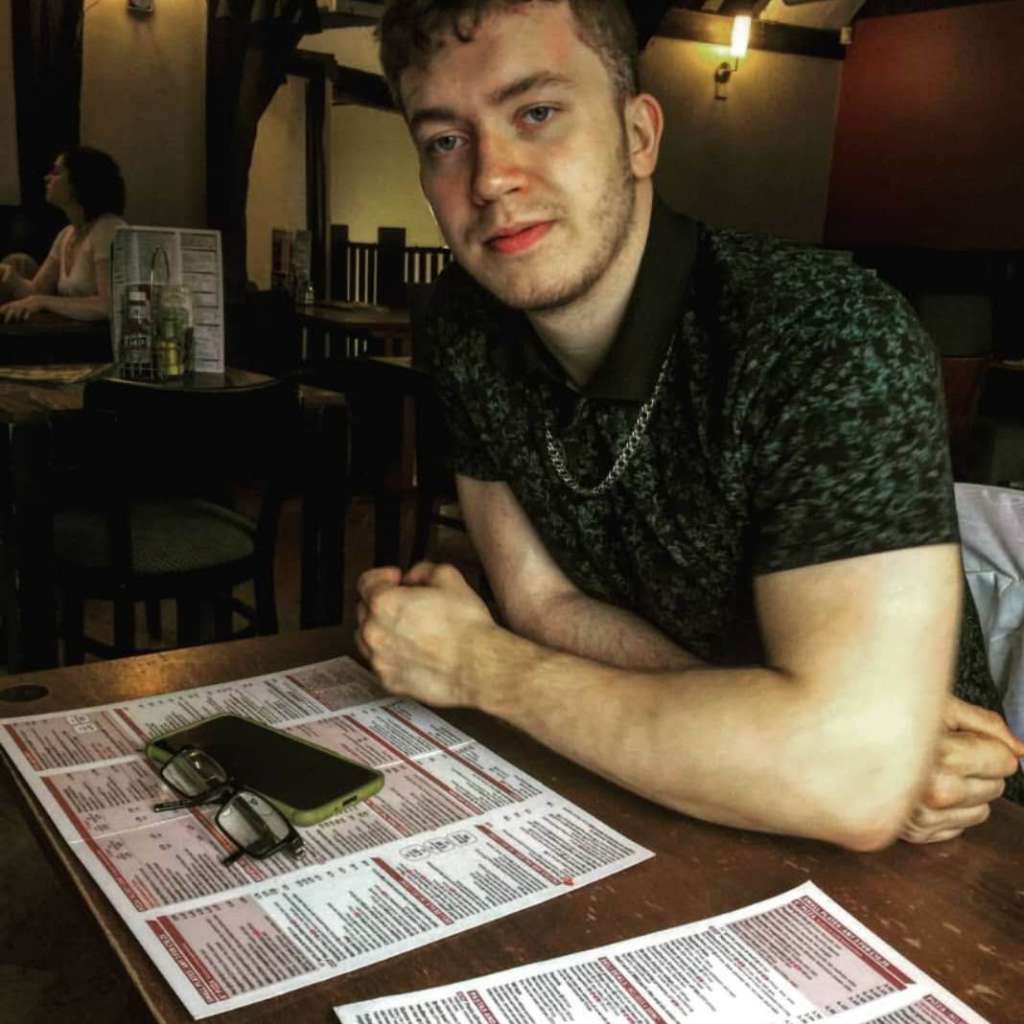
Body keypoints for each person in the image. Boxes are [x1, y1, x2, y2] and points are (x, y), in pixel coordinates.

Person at [358, 0, 1024, 851]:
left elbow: (854, 787)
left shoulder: (824, 335)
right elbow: (541, 603)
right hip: (659, 785)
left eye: (537, 112)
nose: (490, 178)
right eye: (446, 140)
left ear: (639, 135)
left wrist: (477, 665)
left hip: (939, 844)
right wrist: (795, 739)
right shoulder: (466, 323)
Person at [0, 146, 125, 322]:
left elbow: (108, 306)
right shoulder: (66, 235)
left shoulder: (108, 228)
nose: (47, 178)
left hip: (100, 337)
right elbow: (35, 291)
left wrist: (42, 301)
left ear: (79, 182)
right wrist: (9, 276)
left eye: (56, 172)